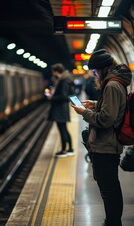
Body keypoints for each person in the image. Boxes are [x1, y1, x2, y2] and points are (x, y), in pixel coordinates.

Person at [71, 49, 132, 226]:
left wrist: (85, 112)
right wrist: (95, 104)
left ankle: (112, 222)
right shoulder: (115, 83)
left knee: (109, 190)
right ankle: (112, 221)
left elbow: (106, 119)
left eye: (95, 71)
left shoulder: (112, 85)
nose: (94, 75)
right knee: (110, 187)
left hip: (106, 144)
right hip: (107, 144)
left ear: (103, 68)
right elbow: (114, 108)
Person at [47, 63, 75, 158]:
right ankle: (69, 149)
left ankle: (64, 150)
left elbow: (64, 96)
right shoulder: (65, 79)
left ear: (56, 71)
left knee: (62, 129)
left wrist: (52, 98)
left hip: (60, 109)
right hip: (62, 108)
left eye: (53, 72)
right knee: (64, 129)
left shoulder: (64, 80)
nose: (52, 74)